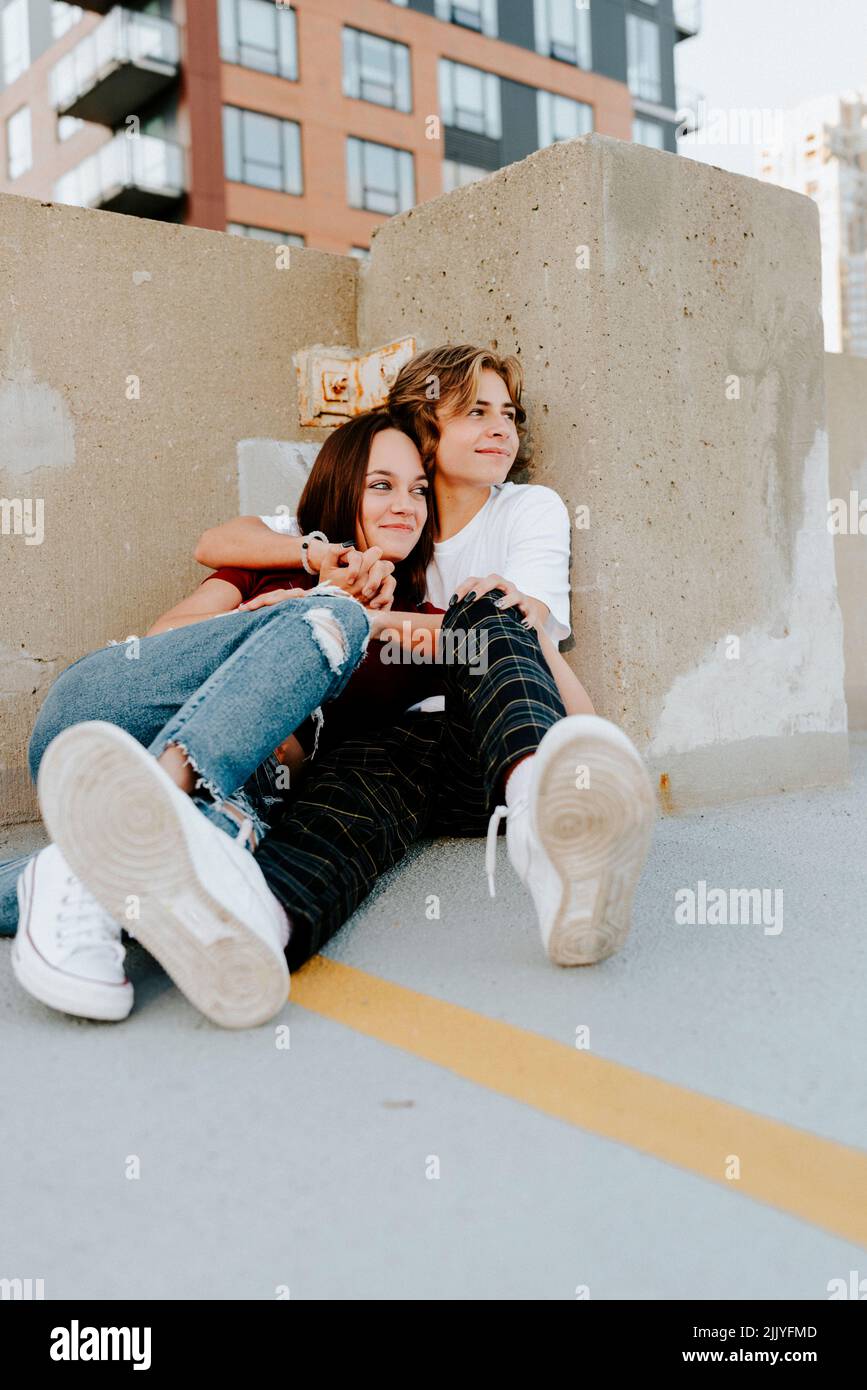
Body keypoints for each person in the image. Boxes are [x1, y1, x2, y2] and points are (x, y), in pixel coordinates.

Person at [195, 345, 657, 973]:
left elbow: (529, 635)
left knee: (488, 605)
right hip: (387, 757)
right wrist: (315, 566)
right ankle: (260, 930)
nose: (500, 428)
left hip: (492, 748)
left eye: (509, 414)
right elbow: (224, 540)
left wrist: (366, 618)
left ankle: (546, 830)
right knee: (348, 784)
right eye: (475, 412)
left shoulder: (528, 509)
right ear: (426, 433)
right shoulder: (384, 519)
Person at [2, 413, 437, 1029]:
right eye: (381, 485)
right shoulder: (273, 563)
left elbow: (477, 642)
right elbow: (162, 640)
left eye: (419, 489)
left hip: (223, 786)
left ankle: (71, 870)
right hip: (99, 723)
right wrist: (287, 607)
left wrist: (375, 618)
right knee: (329, 618)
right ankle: (134, 823)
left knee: (223, 830)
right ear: (343, 487)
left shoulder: (421, 620)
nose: (406, 505)